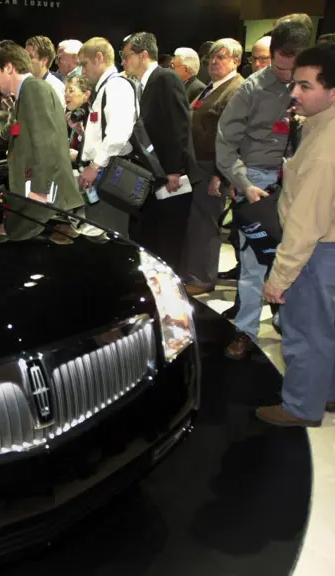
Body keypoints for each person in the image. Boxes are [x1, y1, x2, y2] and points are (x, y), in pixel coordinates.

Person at [216, 20, 312, 360]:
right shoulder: (251, 90)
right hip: (257, 183)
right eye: (281, 68)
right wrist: (244, 184)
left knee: (297, 264)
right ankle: (245, 331)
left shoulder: (315, 87)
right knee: (254, 265)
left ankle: (292, 332)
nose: (288, 78)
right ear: (270, 57)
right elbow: (226, 145)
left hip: (302, 184)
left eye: (295, 69)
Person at [257, 44, 335, 427]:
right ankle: (327, 393)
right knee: (326, 328)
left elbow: (307, 221)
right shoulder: (323, 127)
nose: (295, 93)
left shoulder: (325, 145)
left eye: (305, 86)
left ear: (332, 91)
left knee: (305, 332)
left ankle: (301, 406)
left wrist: (279, 278)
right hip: (326, 250)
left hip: (317, 253)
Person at [0, 44, 83, 241]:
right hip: (35, 192)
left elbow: (45, 141)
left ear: (9, 67)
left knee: (18, 236)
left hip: (42, 193)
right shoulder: (27, 93)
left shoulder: (34, 89)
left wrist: (40, 190)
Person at [122, 32, 197, 274]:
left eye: (127, 56)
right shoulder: (142, 83)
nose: (124, 62)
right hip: (153, 174)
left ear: (143, 55)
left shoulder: (165, 79)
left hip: (170, 176)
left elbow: (179, 126)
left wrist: (175, 170)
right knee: (151, 235)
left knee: (167, 240)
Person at [181, 39, 244, 295]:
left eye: (222, 57)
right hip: (198, 165)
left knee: (206, 224)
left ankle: (202, 278)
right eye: (212, 58)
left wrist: (220, 174)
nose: (215, 62)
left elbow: (232, 135)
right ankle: (191, 272)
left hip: (213, 167)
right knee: (195, 223)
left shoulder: (236, 89)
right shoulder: (212, 86)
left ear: (236, 61)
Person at [76, 37, 135, 235]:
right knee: (99, 232)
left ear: (99, 58)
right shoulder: (107, 87)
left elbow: (118, 135)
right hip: (102, 174)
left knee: (108, 236)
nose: (83, 71)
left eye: (84, 64)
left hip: (110, 174)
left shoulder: (116, 86)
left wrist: (94, 166)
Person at [25, 36, 65, 102]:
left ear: (44, 60)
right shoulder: (25, 85)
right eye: (24, 56)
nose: (25, 60)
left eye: (30, 57)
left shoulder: (55, 88)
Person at [64, 74, 92, 163]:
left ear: (86, 95)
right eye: (65, 91)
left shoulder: (92, 115)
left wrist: (78, 156)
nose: (66, 94)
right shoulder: (72, 115)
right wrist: (79, 130)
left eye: (71, 91)